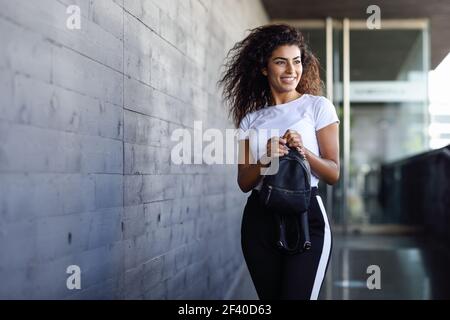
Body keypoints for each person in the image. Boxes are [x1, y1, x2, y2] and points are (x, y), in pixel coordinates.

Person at [218, 24, 340, 300]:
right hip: (259, 220)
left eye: (296, 62)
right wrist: (266, 158)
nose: (290, 70)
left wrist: (304, 151)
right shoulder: (251, 119)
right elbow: (244, 182)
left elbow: (333, 173)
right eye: (280, 62)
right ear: (264, 68)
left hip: (306, 214)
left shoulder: (317, 107)